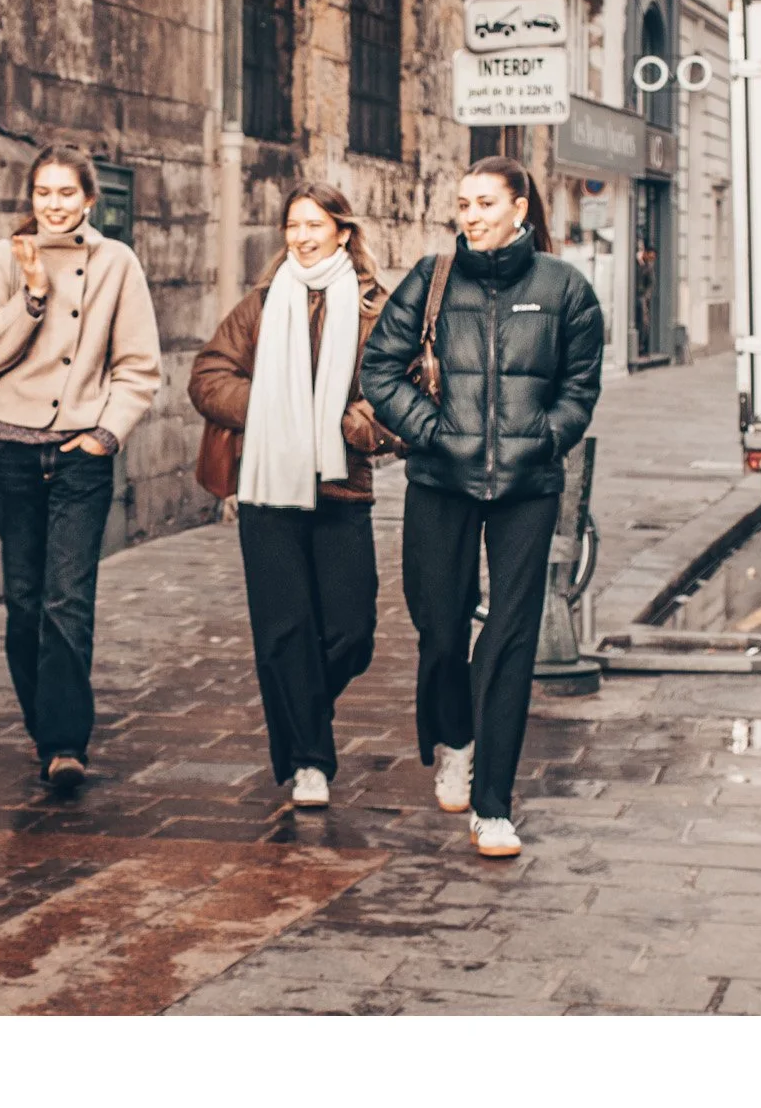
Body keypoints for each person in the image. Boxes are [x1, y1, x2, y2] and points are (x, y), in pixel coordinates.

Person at [360, 156, 603, 860]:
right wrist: (435, 434)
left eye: (484, 203)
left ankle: (493, 804)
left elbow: (579, 386)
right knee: (439, 628)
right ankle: (455, 740)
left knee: (511, 636)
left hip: (528, 487)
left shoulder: (565, 289)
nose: (470, 215)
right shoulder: (431, 280)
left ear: (519, 209)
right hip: (441, 481)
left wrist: (544, 438)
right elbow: (379, 367)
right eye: (462, 203)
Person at [0, 146, 163, 795]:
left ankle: (64, 742)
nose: (53, 204)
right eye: (43, 193)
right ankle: (41, 721)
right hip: (11, 451)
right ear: (32, 197)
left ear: (88, 198)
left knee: (67, 600)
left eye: (65, 193)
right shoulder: (4, 258)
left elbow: (138, 364)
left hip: (81, 451)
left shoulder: (117, 264)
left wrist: (106, 433)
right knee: (24, 602)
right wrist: (35, 295)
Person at [189, 182, 393, 810]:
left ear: (343, 231)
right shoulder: (260, 304)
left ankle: (300, 705)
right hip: (269, 490)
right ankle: (309, 760)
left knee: (352, 631)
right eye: (292, 226)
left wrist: (354, 423)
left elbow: (401, 392)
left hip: (341, 487)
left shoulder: (374, 308)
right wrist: (277, 408)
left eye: (314, 225)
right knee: (284, 630)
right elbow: (207, 377)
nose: (302, 237)